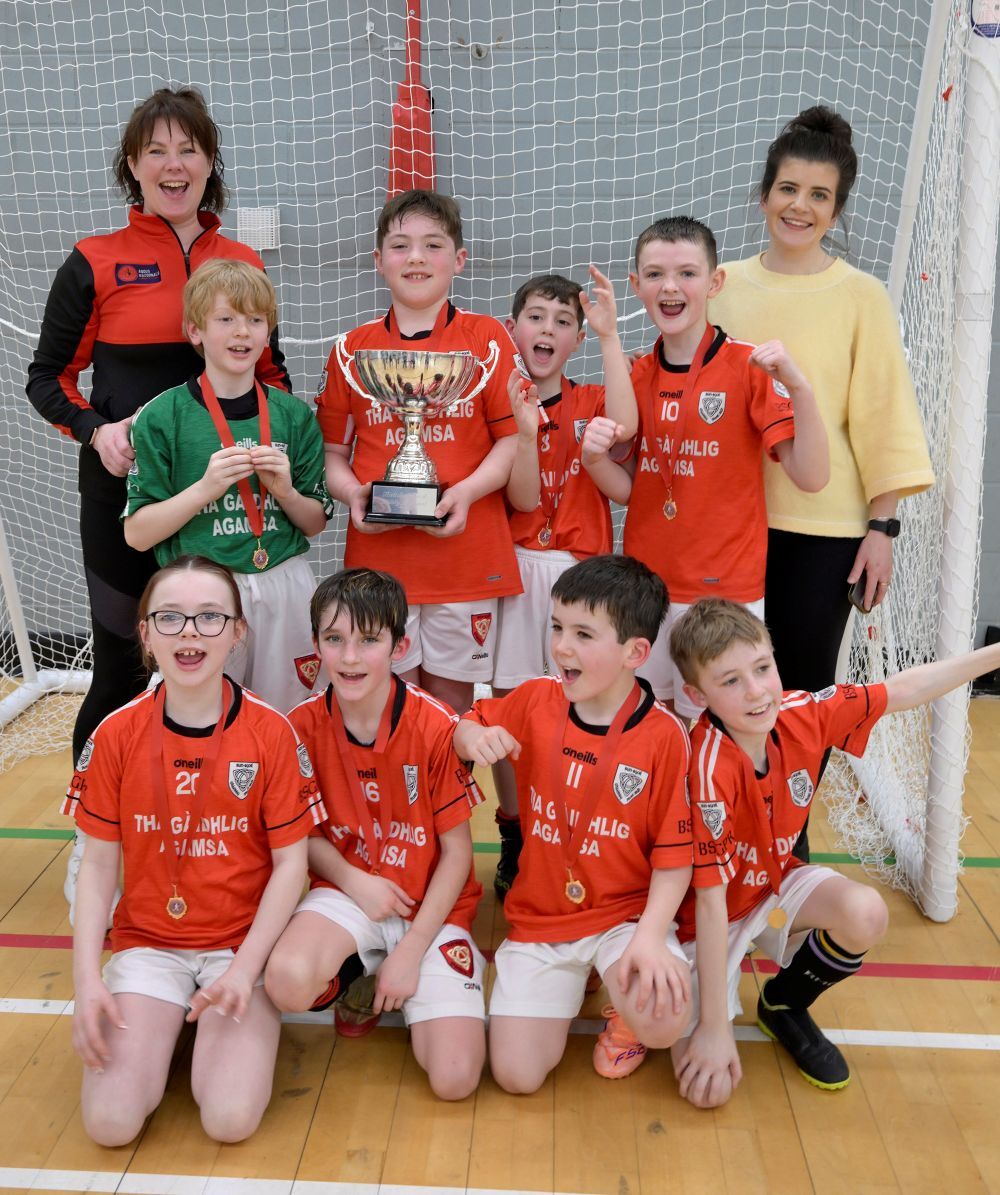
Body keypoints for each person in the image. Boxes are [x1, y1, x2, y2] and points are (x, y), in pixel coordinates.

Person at [26, 86, 290, 763]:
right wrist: (95, 430)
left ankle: (218, 810)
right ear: (133, 166)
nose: (174, 165)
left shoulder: (243, 261)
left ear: (209, 163)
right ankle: (95, 815)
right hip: (124, 499)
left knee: (223, 667)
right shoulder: (94, 260)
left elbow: (273, 376)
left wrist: (280, 463)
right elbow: (47, 377)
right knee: (121, 667)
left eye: (189, 150)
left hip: (223, 503)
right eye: (156, 151)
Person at [708, 107, 934, 858]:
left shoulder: (860, 295)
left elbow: (881, 415)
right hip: (725, 527)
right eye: (788, 189)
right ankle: (717, 838)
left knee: (799, 694)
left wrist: (882, 527)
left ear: (836, 211)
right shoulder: (720, 286)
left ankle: (785, 844)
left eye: (819, 196)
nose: (799, 206)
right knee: (719, 685)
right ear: (763, 195)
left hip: (823, 533)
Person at [667, 598, 1000, 1104]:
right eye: (730, 681)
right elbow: (710, 904)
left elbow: (903, 689)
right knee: (706, 1090)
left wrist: (994, 655)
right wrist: (714, 1028)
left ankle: (784, 1004)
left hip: (771, 892)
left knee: (865, 912)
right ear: (696, 695)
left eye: (762, 668)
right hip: (703, 924)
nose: (756, 691)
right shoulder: (708, 766)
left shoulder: (802, 712)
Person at [64, 555, 323, 1145]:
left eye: (210, 617)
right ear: (145, 633)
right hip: (150, 947)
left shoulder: (271, 732)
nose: (190, 633)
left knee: (229, 1120)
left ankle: (212, 1026)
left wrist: (246, 970)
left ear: (237, 632)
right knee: (110, 1124)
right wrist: (87, 982)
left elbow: (292, 867)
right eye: (170, 618)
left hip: (239, 948)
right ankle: (161, 1019)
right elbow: (98, 866)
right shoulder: (116, 734)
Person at [454, 555, 693, 1088]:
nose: (562, 646)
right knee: (516, 1076)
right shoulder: (537, 699)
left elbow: (675, 860)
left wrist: (650, 938)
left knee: (664, 1019)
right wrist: (473, 738)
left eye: (584, 634)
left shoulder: (664, 736)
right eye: (557, 627)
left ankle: (626, 1021)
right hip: (543, 918)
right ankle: (576, 977)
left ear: (635, 653)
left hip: (624, 917)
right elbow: (469, 721)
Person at [580, 216, 828, 720]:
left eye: (687, 273)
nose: (670, 287)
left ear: (715, 282)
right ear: (637, 285)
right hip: (648, 592)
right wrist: (593, 459)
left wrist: (801, 388)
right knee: (656, 729)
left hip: (725, 593)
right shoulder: (637, 372)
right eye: (655, 274)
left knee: (720, 729)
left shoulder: (747, 366)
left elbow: (811, 477)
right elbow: (630, 489)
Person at [264, 568, 487, 1100]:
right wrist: (353, 881)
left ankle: (403, 973)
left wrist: (412, 951)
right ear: (315, 643)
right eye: (334, 639)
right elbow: (301, 837)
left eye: (368, 640)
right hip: (349, 892)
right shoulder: (299, 726)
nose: (349, 657)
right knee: (286, 982)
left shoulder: (435, 725)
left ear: (399, 646)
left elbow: (458, 855)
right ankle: (359, 973)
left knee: (455, 1079)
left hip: (430, 908)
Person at [316, 188, 524, 716]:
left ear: (459, 259)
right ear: (378, 260)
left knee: (450, 710)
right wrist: (354, 496)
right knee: (385, 707)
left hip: (465, 558)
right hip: (380, 565)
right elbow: (332, 453)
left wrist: (467, 493)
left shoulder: (487, 340)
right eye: (400, 245)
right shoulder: (351, 350)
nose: (415, 258)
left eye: (433, 245)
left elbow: (511, 439)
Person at [123, 260, 331, 712]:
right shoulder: (161, 416)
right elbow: (137, 534)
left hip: (283, 582)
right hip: (200, 589)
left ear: (268, 332)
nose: (242, 332)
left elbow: (315, 523)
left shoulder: (294, 416)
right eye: (226, 319)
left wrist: (285, 492)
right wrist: (204, 488)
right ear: (195, 330)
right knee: (199, 715)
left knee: (291, 715)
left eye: (255, 319)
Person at [491, 270, 638, 901]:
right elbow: (521, 498)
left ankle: (573, 832)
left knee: (582, 705)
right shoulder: (496, 400)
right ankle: (515, 828)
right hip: (516, 566)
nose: (547, 329)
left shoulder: (594, 400)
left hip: (583, 574)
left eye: (562, 321)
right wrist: (524, 433)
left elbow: (626, 428)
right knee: (510, 703)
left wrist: (609, 335)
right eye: (536, 316)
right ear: (512, 327)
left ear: (576, 338)